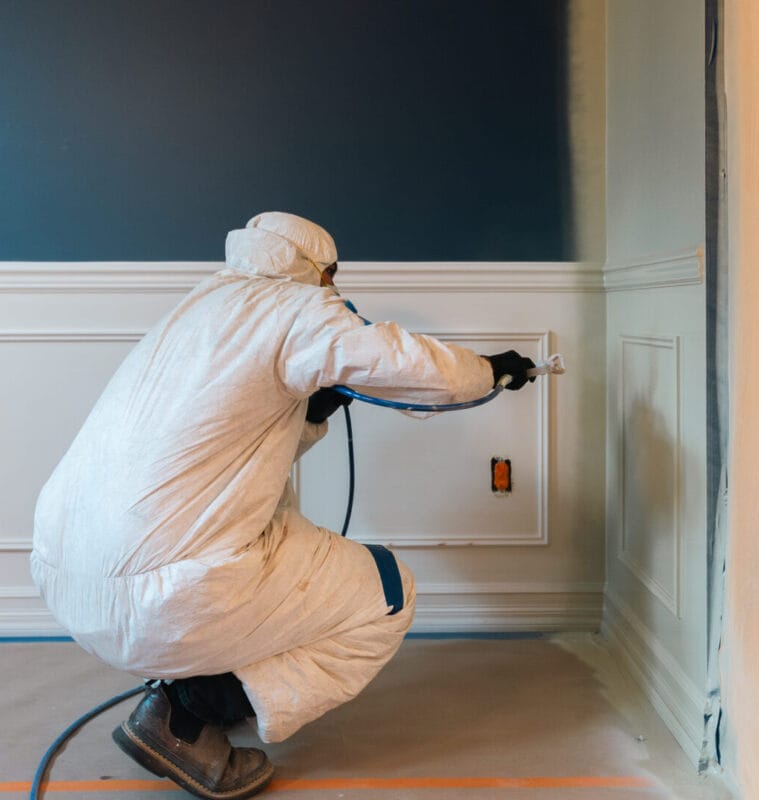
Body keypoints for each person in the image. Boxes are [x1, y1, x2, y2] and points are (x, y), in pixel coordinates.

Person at [31, 212, 536, 800]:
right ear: (318, 268)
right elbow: (421, 370)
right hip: (161, 597)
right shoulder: (299, 308)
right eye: (332, 276)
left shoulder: (200, 306)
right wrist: (491, 371)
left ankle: (201, 683)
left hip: (62, 576)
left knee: (280, 540)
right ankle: (187, 714)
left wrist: (313, 411)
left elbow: (228, 440)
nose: (333, 288)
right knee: (388, 594)